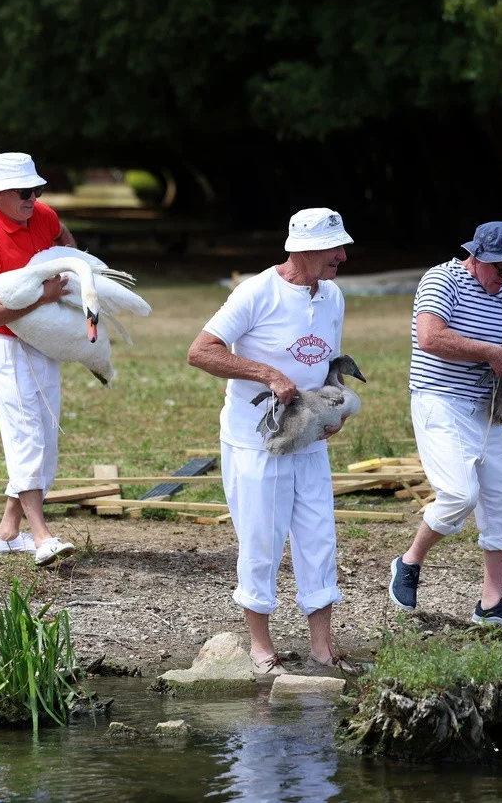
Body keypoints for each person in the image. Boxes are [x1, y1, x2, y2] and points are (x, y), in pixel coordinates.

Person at [187, 208, 356, 677]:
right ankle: (262, 650)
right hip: (255, 441)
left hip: (309, 437)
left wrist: (333, 405)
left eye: (342, 247)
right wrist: (267, 373)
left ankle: (322, 648)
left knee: (320, 537)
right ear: (301, 249)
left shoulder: (333, 295)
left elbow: (327, 364)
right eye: (333, 248)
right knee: (262, 539)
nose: (342, 255)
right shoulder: (257, 292)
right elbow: (200, 351)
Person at [388, 221, 502, 633]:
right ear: (476, 257)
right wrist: (490, 352)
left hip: (485, 407)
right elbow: (430, 338)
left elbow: (499, 344)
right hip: (439, 401)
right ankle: (408, 562)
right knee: (459, 494)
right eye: (500, 270)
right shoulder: (442, 279)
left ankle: (491, 604)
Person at [0, 152, 78, 567]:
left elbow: (66, 240)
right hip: (6, 345)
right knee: (26, 432)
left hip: (42, 338)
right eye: (24, 191)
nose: (34, 196)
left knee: (44, 432)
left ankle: (8, 532)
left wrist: (67, 271)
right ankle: (40, 534)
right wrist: (39, 297)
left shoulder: (43, 216)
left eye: (37, 189)